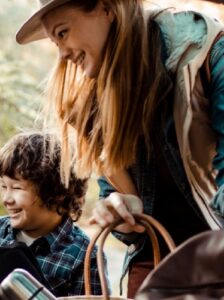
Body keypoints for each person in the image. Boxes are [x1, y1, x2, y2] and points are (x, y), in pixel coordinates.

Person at [15, 0, 224, 297]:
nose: (61, 54)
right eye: (54, 42)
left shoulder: (205, 53)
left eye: (62, 33)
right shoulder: (95, 105)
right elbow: (115, 196)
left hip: (214, 263)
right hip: (156, 268)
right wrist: (118, 212)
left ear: (106, 8)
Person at [0, 132, 105, 297]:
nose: (6, 199)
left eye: (17, 188)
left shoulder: (86, 257)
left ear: (57, 193)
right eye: (3, 186)